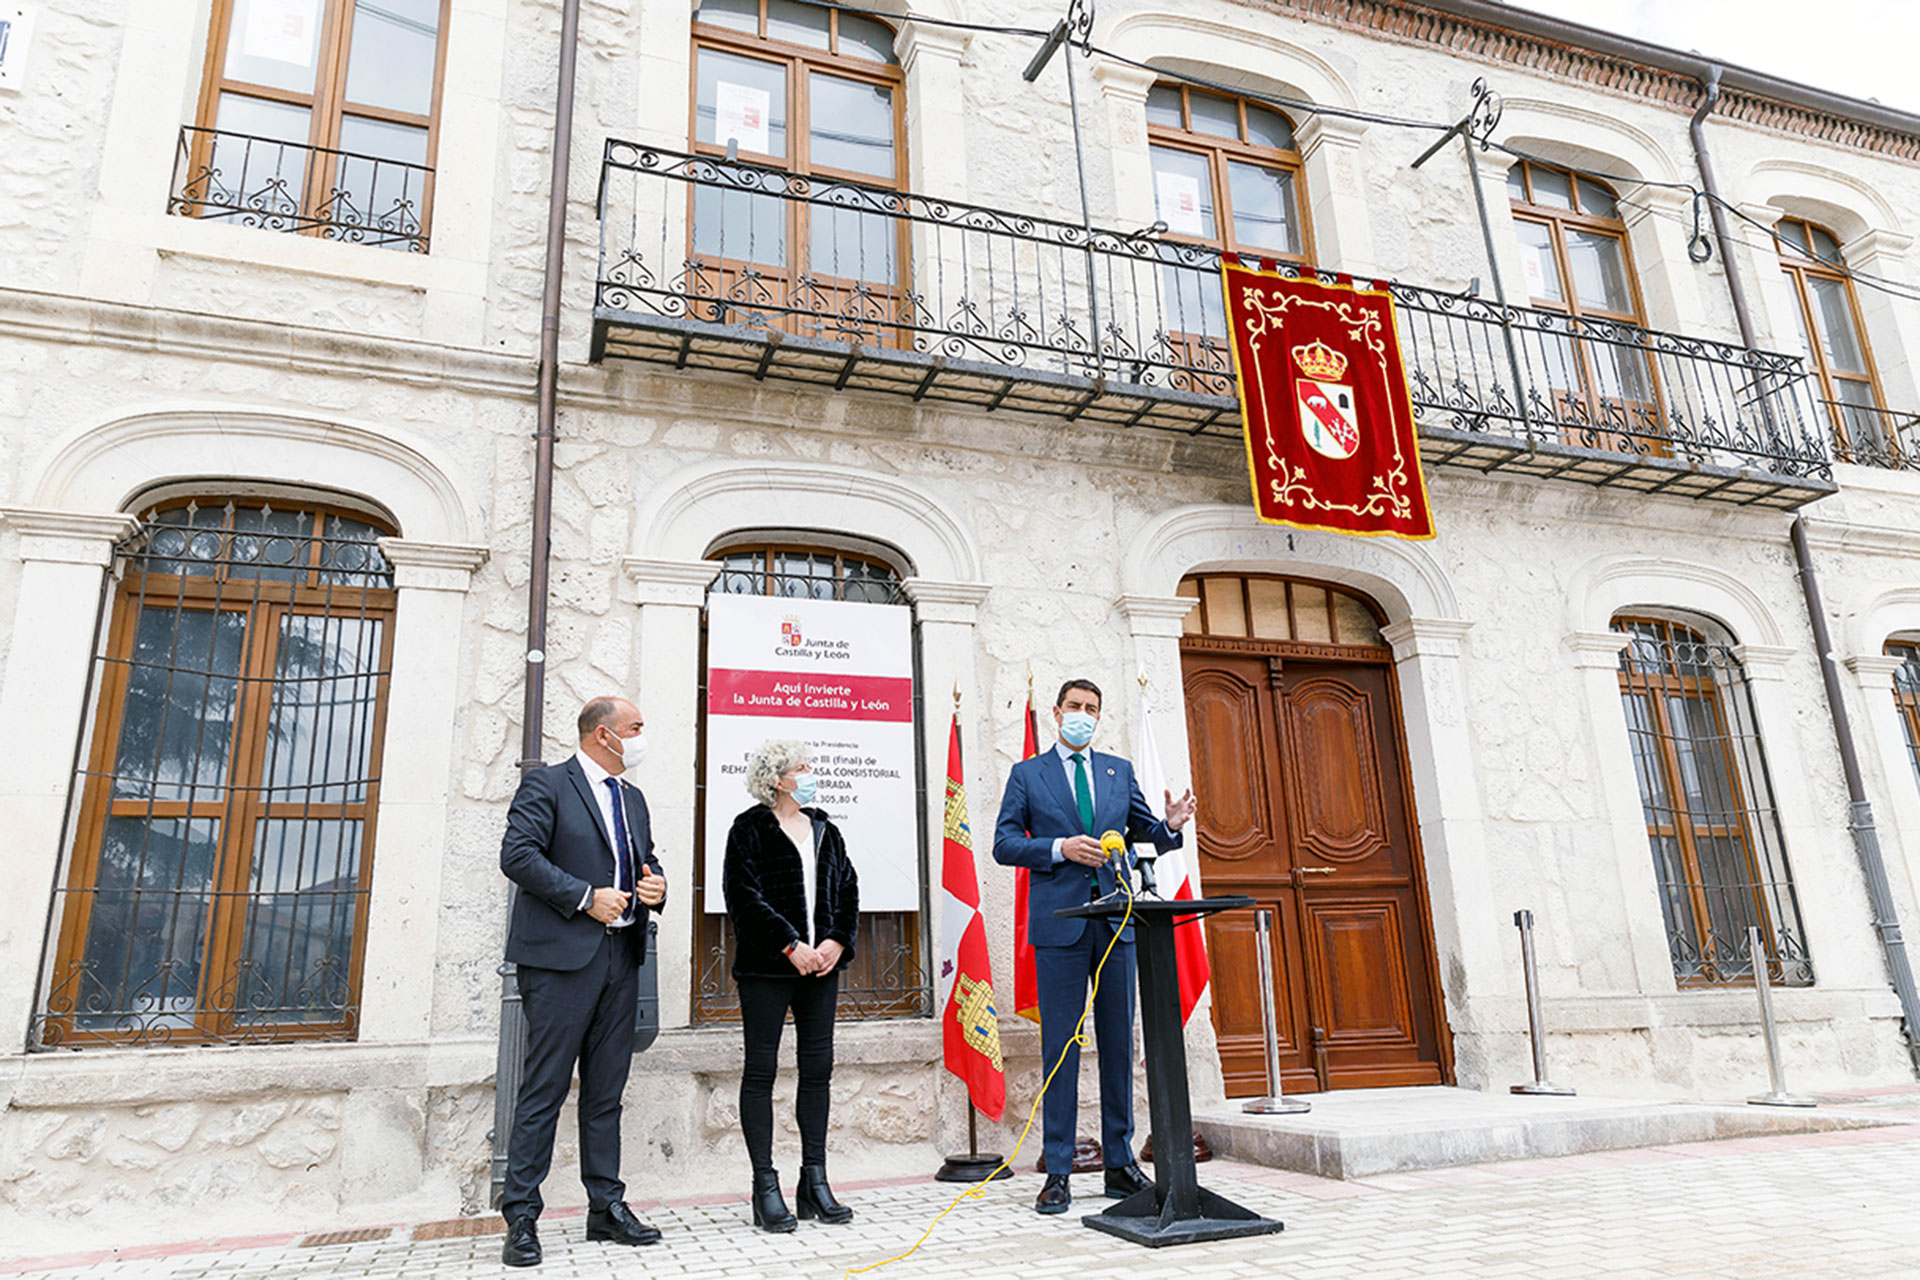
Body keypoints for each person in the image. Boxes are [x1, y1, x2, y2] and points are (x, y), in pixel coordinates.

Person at [991, 678, 1195, 1215]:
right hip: (1060, 928)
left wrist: (1170, 826)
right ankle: (1057, 1169)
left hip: (1117, 924)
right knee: (1062, 1048)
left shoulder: (1117, 771)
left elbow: (1148, 830)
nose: (1083, 715)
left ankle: (1119, 1162)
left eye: (1092, 709)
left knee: (1117, 1047)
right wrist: (1058, 847)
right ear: (1058, 713)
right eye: (1076, 707)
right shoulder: (1027, 775)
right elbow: (1004, 843)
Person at [496, 696, 669, 1267]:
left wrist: (655, 887)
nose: (641, 736)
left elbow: (645, 860)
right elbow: (517, 856)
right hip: (561, 963)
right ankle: (521, 1216)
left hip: (622, 959)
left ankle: (606, 1207)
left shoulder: (633, 799)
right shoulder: (547, 786)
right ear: (602, 734)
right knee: (544, 1088)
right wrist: (583, 897)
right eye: (634, 728)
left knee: (606, 1093)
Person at [723, 739, 860, 1232]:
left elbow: (848, 890)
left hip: (821, 967)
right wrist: (789, 944)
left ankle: (814, 1182)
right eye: (801, 767)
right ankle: (765, 1187)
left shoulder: (826, 828)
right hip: (767, 968)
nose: (810, 773)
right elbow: (742, 896)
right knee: (760, 1072)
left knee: (817, 1070)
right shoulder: (749, 829)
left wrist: (836, 942)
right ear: (778, 778)